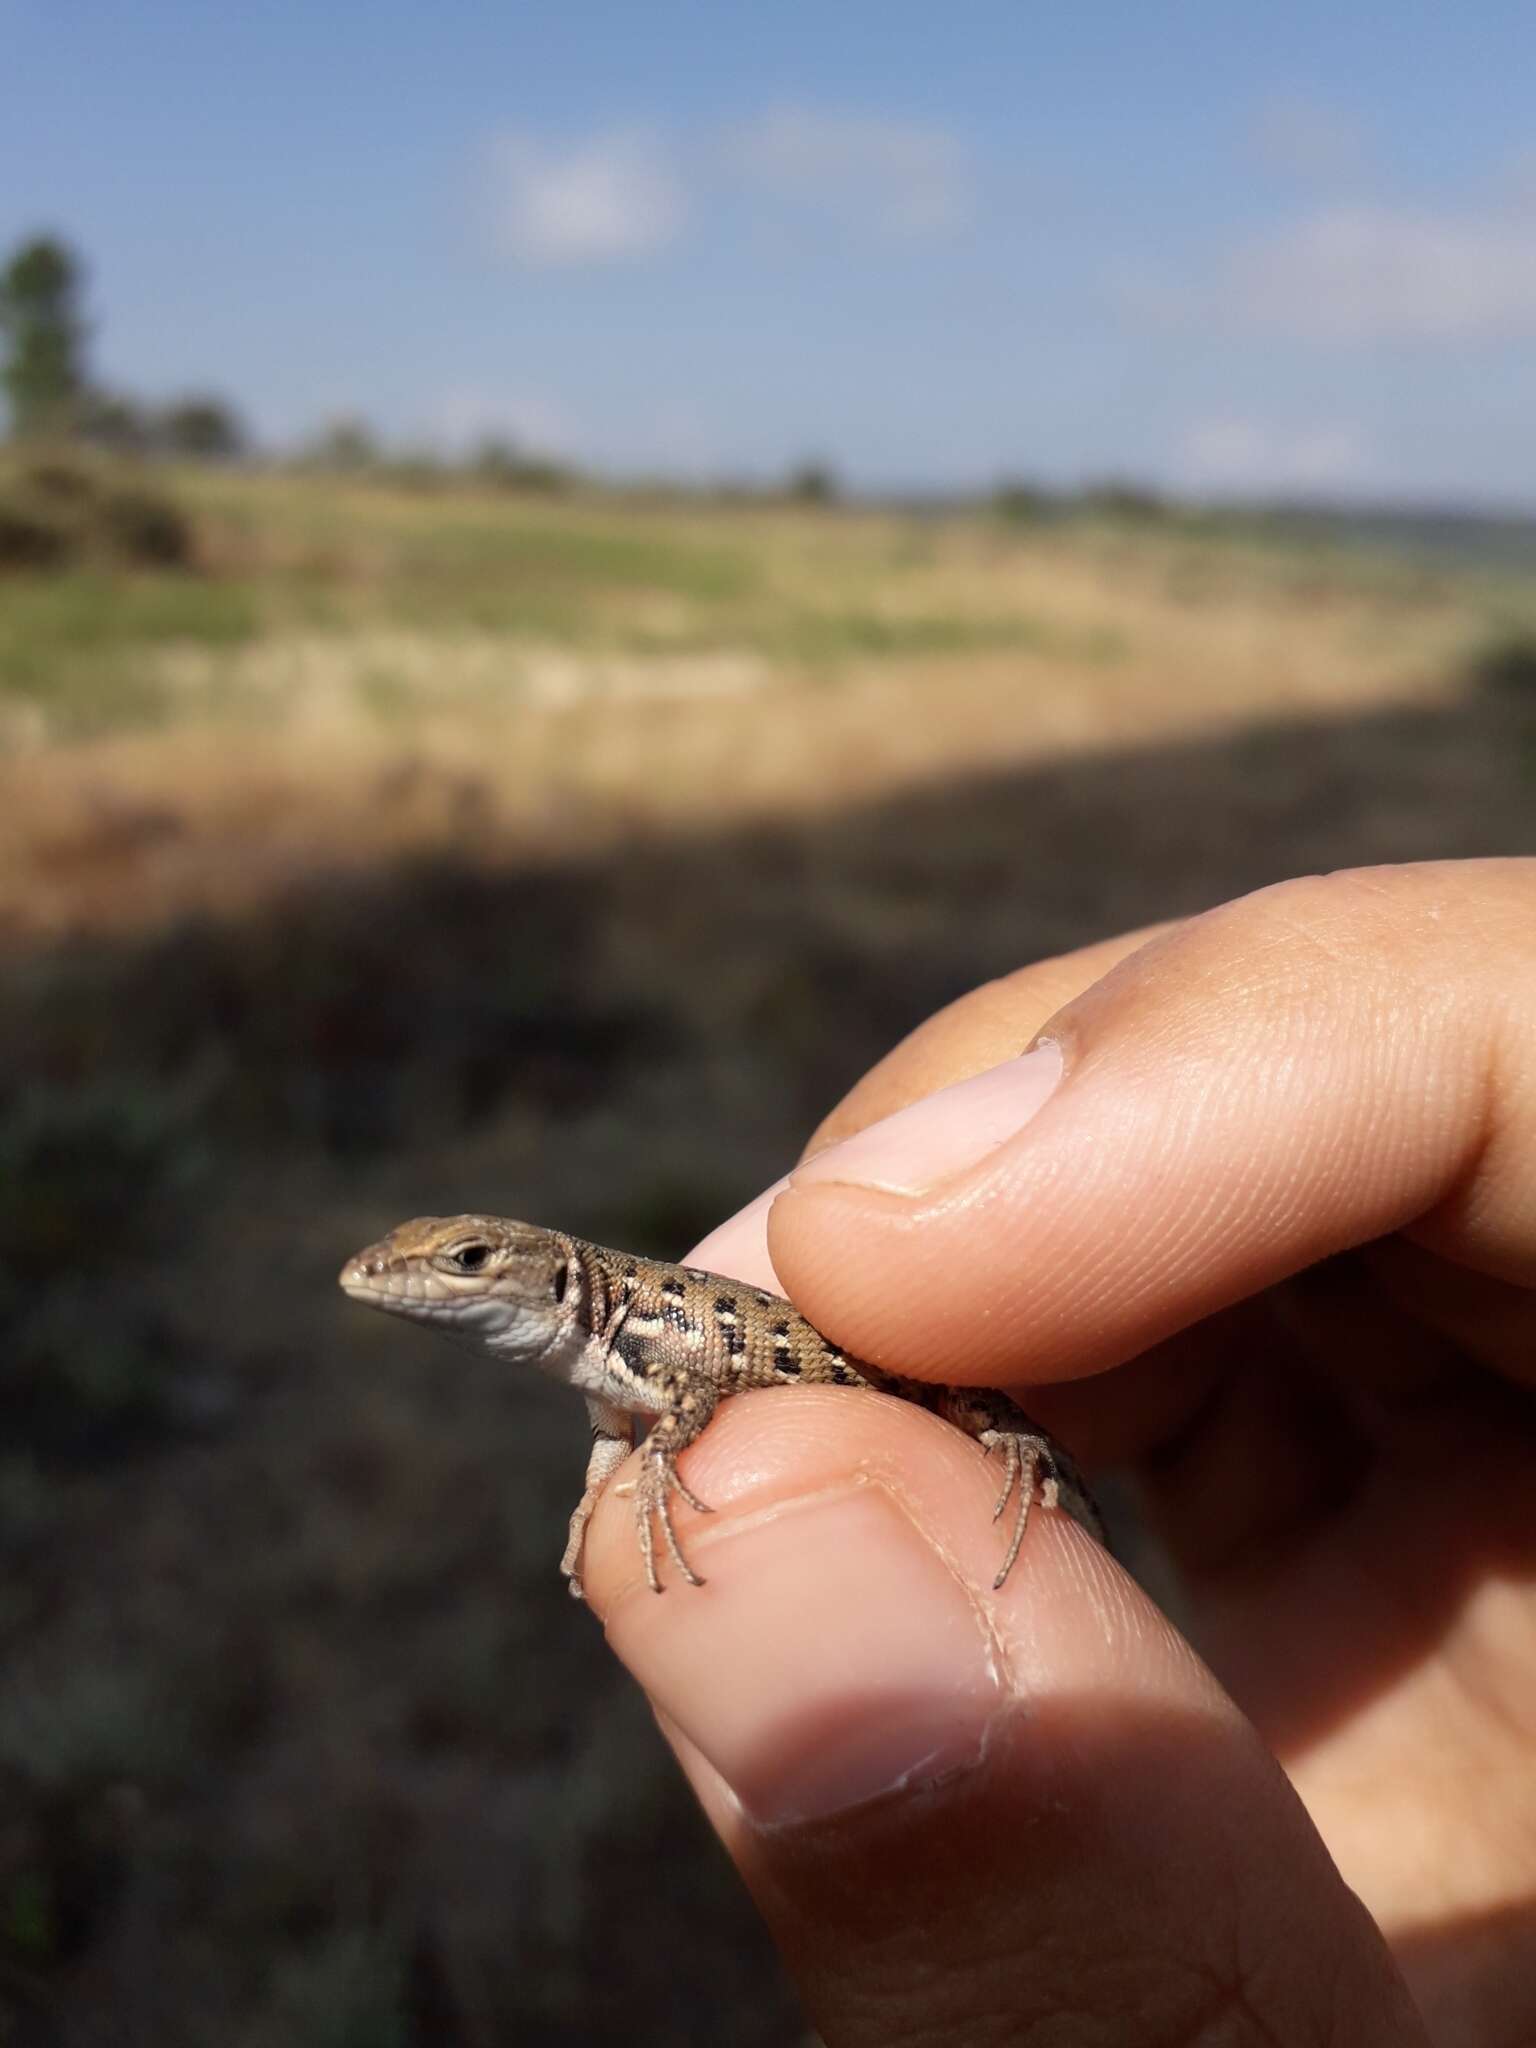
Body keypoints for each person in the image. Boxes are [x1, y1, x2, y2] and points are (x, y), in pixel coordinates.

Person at [581, 859, 1536, 2048]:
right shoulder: (614, 1338)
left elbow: (685, 1399)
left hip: (915, 1374)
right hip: (882, 1374)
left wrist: (659, 1459)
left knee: (979, 1415)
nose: (422, 1280)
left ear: (544, 1274)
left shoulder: (633, 1321)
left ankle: (1038, 1470)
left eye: (466, 1261)